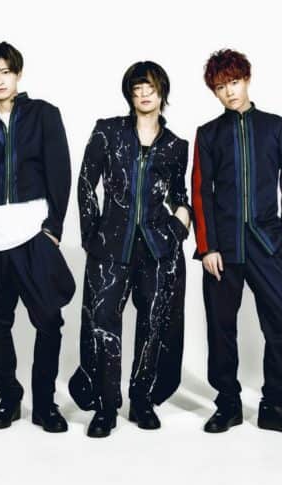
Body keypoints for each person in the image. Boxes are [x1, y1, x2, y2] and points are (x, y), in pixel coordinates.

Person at [0, 41, 75, 432]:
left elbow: (60, 172)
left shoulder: (44, 115)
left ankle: (45, 403)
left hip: (31, 230)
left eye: (6, 72)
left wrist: (53, 227)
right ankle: (8, 398)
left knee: (49, 320)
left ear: (18, 73)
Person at [68, 61, 191, 438]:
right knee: (102, 324)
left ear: (162, 91)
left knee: (153, 325)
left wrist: (177, 229)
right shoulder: (108, 132)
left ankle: (142, 400)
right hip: (111, 247)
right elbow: (86, 184)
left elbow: (179, 196)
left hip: (157, 248)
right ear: (129, 94)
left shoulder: (175, 145)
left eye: (150, 87)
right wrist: (91, 236)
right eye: (137, 88)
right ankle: (105, 407)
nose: (143, 94)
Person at [192, 48, 282, 436]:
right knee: (221, 327)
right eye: (220, 87)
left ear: (247, 80)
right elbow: (201, 193)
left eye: (234, 83)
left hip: (266, 244)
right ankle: (227, 404)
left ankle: (275, 405)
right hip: (222, 250)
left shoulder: (275, 126)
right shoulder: (208, 134)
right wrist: (207, 247)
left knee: (281, 325)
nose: (229, 92)